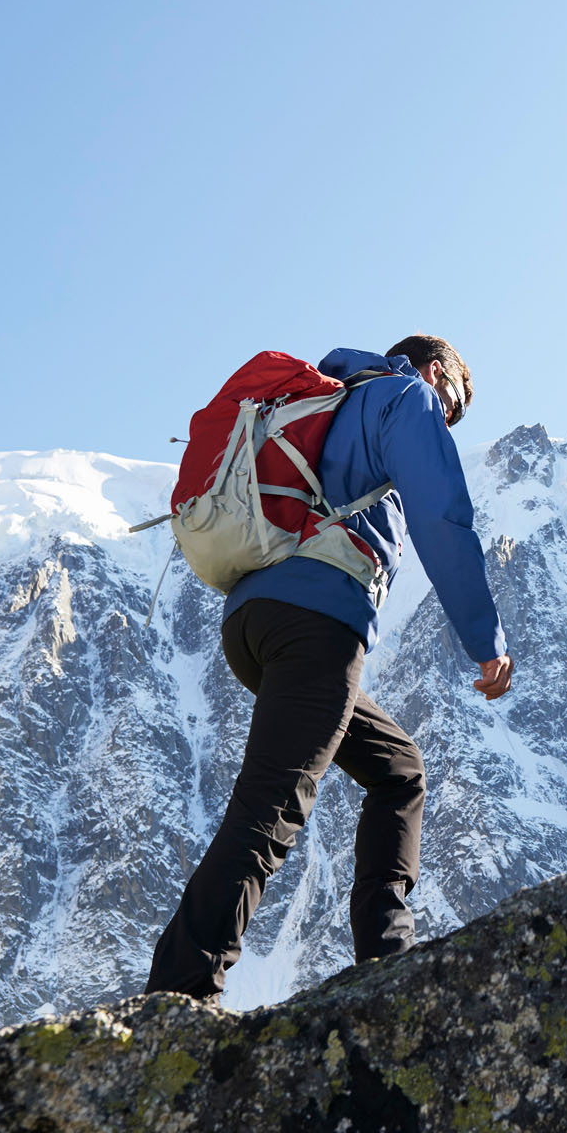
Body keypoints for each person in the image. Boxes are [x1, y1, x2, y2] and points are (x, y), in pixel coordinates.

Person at [144, 335, 514, 1001]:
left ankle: (386, 959)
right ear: (435, 372)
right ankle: (180, 986)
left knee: (399, 769)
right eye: (453, 405)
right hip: (317, 626)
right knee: (271, 807)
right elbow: (443, 515)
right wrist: (485, 638)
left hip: (254, 621)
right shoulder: (405, 398)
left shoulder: (331, 403)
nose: (448, 420)